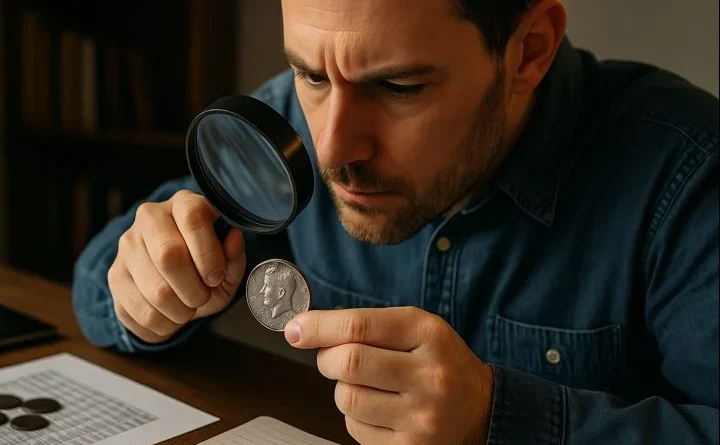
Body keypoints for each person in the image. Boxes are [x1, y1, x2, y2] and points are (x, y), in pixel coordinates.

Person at [71, 0, 719, 444]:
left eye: (398, 87)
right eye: (309, 73)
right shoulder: (292, 123)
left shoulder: (688, 174)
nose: (332, 150)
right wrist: (150, 284)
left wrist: (498, 418)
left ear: (529, 51)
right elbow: (100, 286)